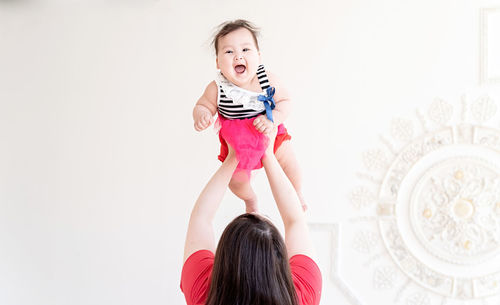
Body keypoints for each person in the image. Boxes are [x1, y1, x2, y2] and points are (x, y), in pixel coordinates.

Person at [181, 130, 322, 305]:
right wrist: (268, 154)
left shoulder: (203, 291)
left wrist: (233, 157)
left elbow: (201, 218)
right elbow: (295, 220)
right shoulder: (301, 294)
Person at [192, 19, 307, 213]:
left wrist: (273, 119)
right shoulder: (217, 88)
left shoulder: (266, 79)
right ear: (218, 63)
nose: (238, 56)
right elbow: (202, 104)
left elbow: (286, 102)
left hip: (269, 133)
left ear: (259, 56)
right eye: (229, 52)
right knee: (235, 182)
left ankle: (297, 193)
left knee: (289, 162)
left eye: (245, 50)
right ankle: (250, 200)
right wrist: (202, 115)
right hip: (236, 145)